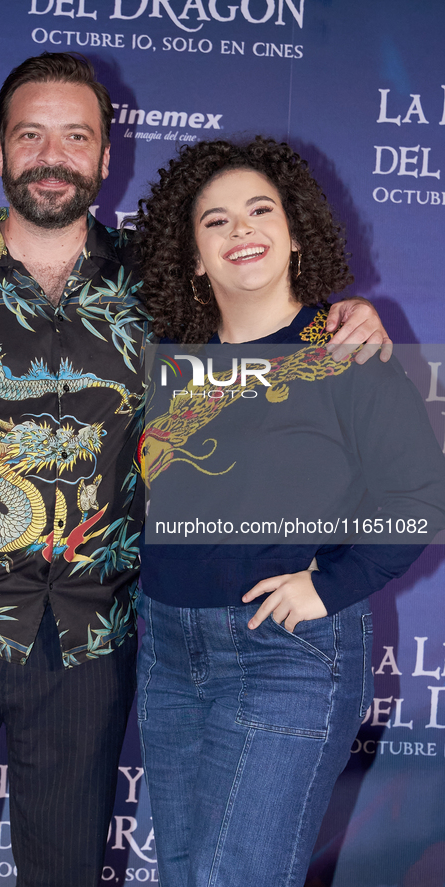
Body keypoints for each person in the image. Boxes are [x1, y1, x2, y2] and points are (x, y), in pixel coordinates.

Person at [0, 52, 390, 886]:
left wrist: (343, 319)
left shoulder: (161, 281)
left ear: (107, 156)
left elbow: (269, 321)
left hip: (91, 641)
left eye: (77, 135)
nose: (52, 154)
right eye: (30, 134)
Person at [134, 137, 445, 887]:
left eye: (259, 210)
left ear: (295, 232)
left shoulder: (346, 350)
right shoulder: (169, 363)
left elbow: (421, 499)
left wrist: (327, 585)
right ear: (193, 257)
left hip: (286, 656)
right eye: (214, 221)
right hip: (168, 655)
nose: (240, 230)